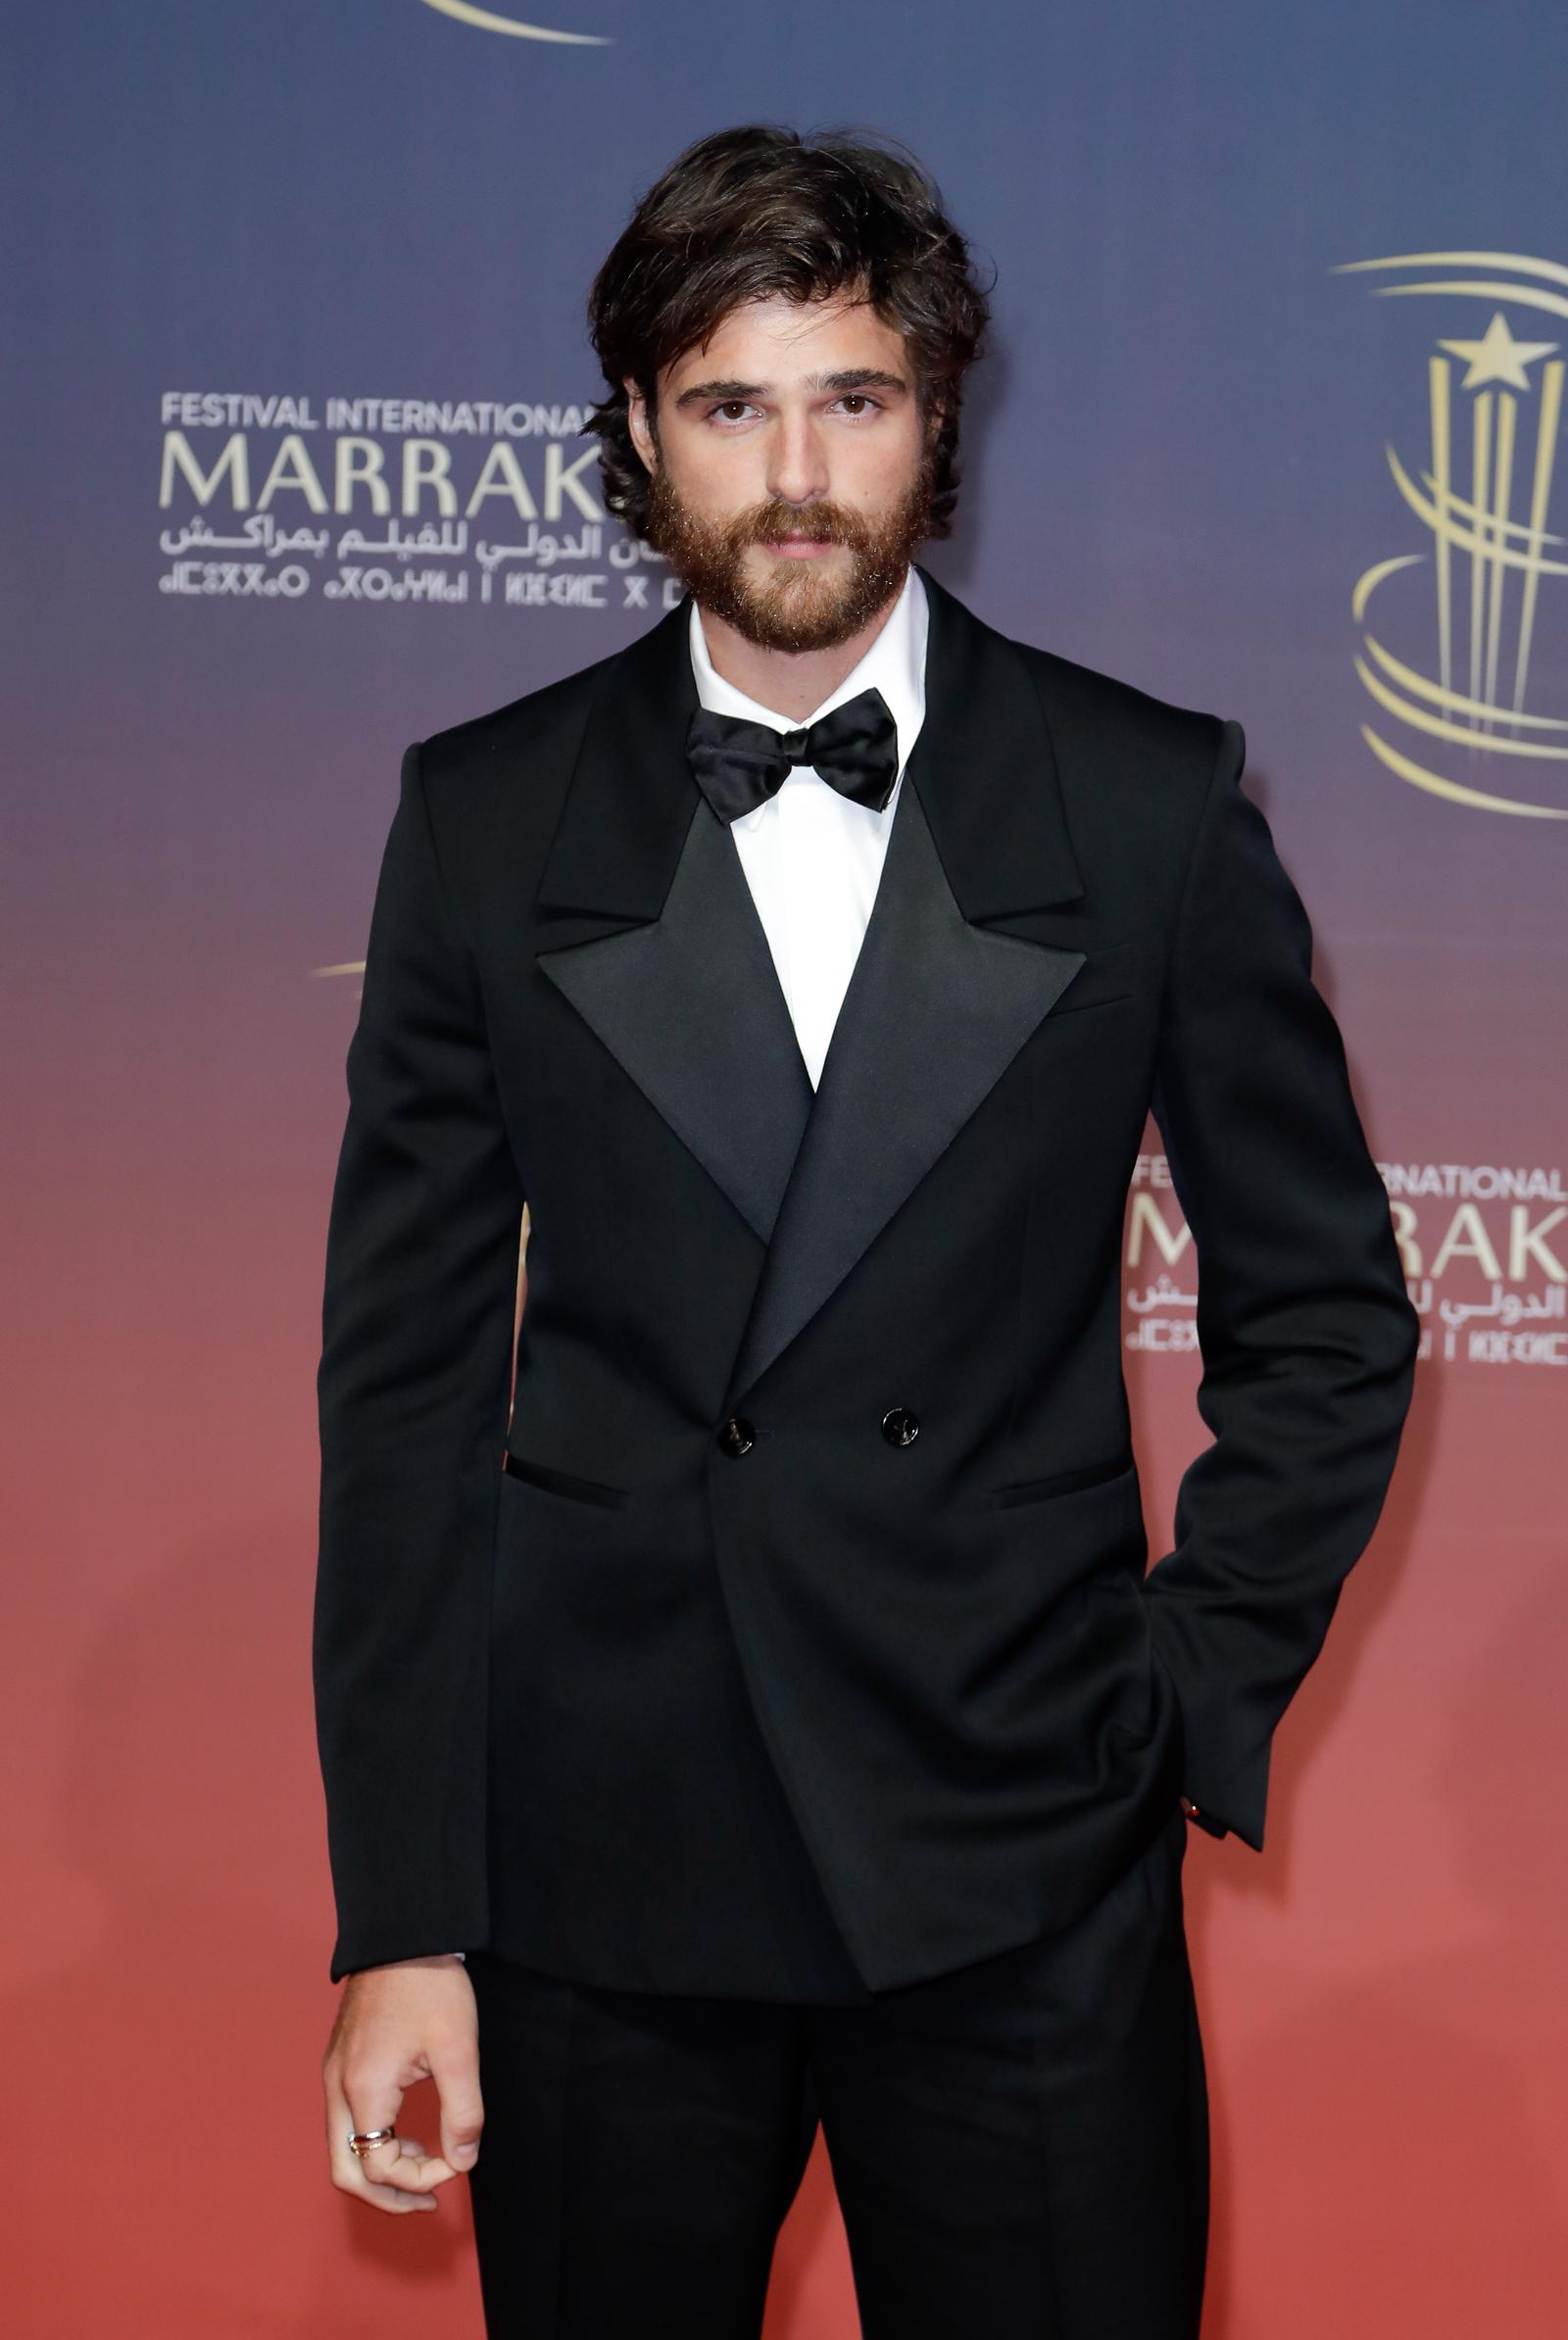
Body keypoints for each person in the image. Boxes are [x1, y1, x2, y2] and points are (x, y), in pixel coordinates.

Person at [313, 123, 1419, 2338]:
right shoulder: (486, 816)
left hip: (1014, 1857)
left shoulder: (1137, 802)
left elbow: (1320, 1318)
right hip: (604, 1875)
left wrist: (1175, 1694)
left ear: (935, 414)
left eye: (852, 400)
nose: (796, 473)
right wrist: (400, 1920)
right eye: (731, 406)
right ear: (639, 432)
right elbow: (408, 1400)